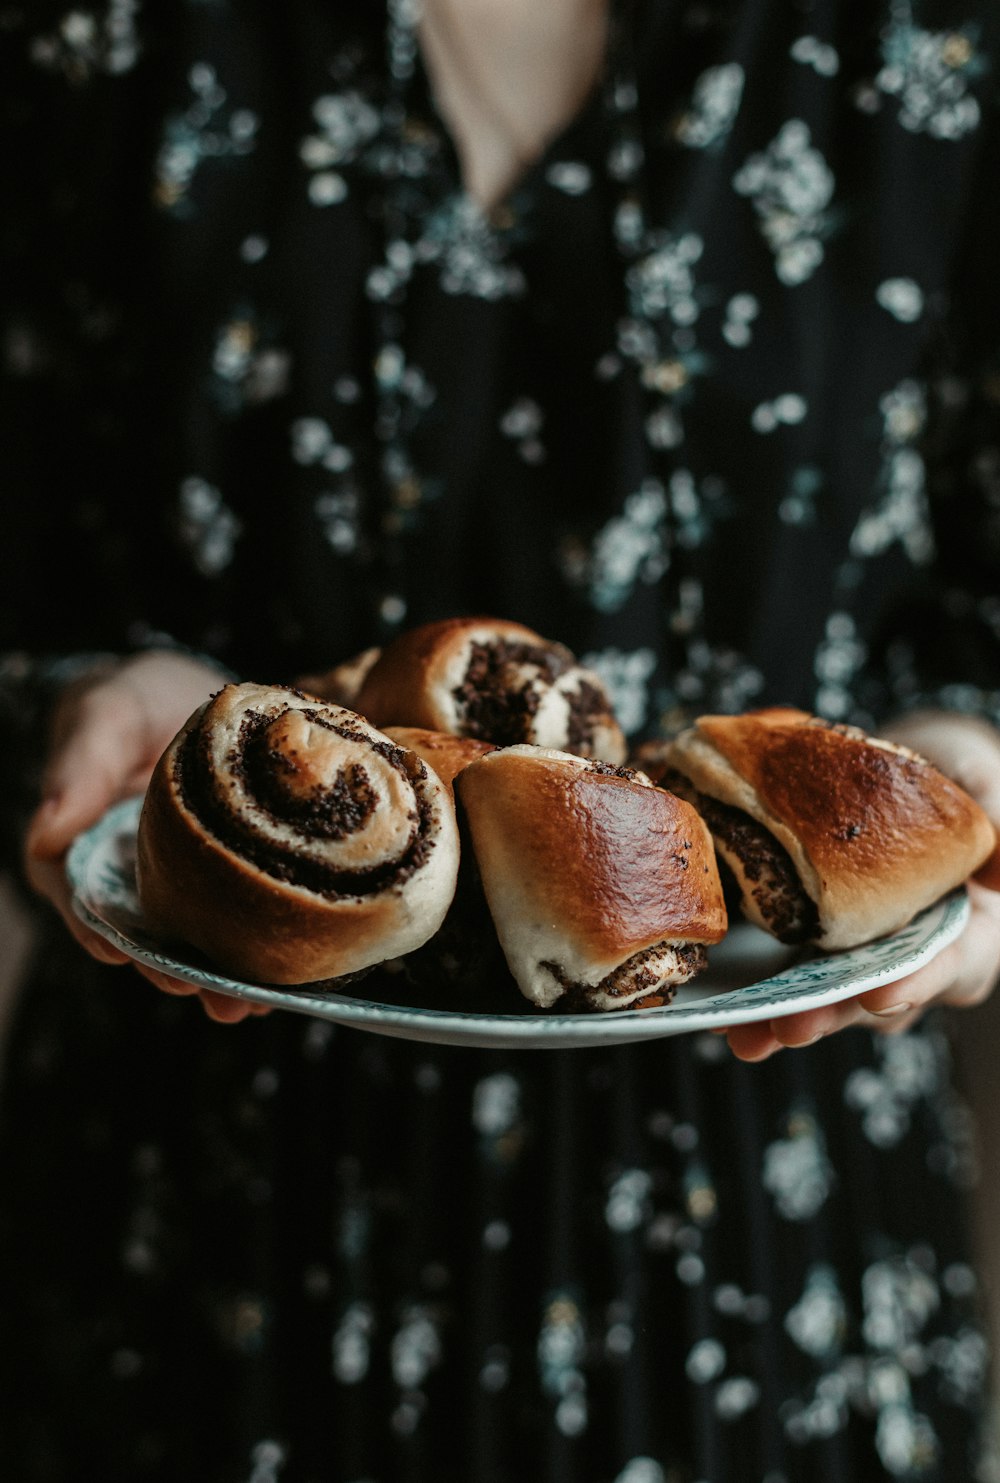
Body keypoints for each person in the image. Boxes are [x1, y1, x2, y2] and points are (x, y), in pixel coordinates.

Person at [2, 0, 1000, 1478]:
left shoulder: (933, 43)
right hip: (199, 1239)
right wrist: (98, 700)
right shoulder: (88, 33)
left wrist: (951, 793)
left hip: (760, 1250)